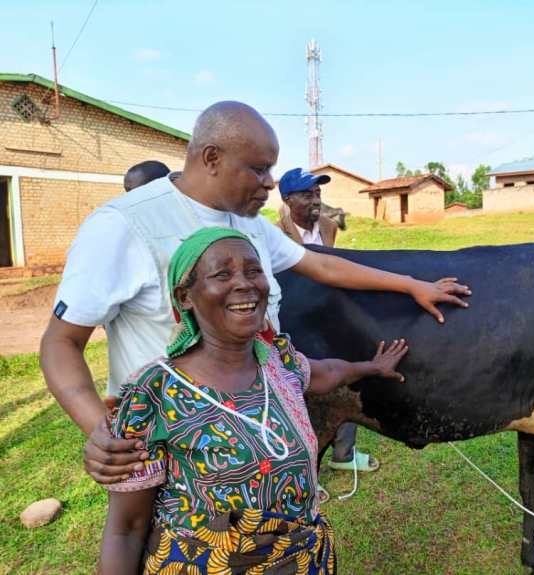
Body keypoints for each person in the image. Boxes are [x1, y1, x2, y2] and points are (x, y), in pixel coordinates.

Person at [40, 101, 469, 483]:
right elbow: (61, 341)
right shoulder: (126, 225)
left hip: (263, 436)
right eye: (260, 169)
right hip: (173, 451)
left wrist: (410, 285)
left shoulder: (247, 222)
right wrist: (101, 429)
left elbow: (319, 263)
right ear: (212, 158)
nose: (270, 184)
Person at [98, 227, 408, 574]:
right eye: (222, 274)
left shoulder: (277, 360)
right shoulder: (153, 392)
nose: (244, 283)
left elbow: (326, 372)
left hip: (301, 561)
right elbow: (126, 528)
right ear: (185, 296)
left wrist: (371, 367)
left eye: (253, 270)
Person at [277, 167, 379, 499]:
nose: (316, 201)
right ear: (287, 200)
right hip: (295, 323)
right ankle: (307, 475)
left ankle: (344, 454)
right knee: (302, 395)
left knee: (344, 381)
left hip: (329, 317)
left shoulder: (328, 227)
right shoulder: (274, 235)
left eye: (318, 194)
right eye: (307, 195)